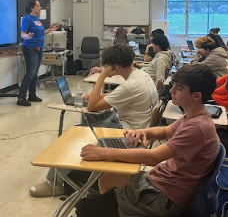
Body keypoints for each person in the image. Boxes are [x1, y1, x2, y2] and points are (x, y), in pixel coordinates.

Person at [8, 64, 220, 217]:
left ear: (196, 96)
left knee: (89, 209)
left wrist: (103, 152)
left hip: (166, 198)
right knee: (106, 178)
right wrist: (143, 131)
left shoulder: (197, 127)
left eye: (179, 88)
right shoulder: (193, 117)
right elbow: (166, 131)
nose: (173, 91)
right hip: (162, 185)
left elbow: (154, 157)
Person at [29, 44, 158, 197]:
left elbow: (92, 106)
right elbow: (119, 96)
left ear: (114, 67)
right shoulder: (141, 76)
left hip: (126, 131)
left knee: (76, 138)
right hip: (133, 125)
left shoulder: (131, 85)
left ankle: (54, 183)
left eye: (107, 67)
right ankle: (75, 173)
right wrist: (98, 96)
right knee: (87, 120)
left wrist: (102, 76)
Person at [17, 0, 59, 106]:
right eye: (38, 6)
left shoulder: (37, 19)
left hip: (39, 48)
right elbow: (23, 34)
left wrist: (50, 29)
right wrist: (28, 36)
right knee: (30, 73)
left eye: (40, 5)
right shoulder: (27, 19)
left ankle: (32, 95)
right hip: (30, 48)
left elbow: (41, 33)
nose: (40, 7)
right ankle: (21, 98)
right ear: (32, 8)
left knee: (35, 73)